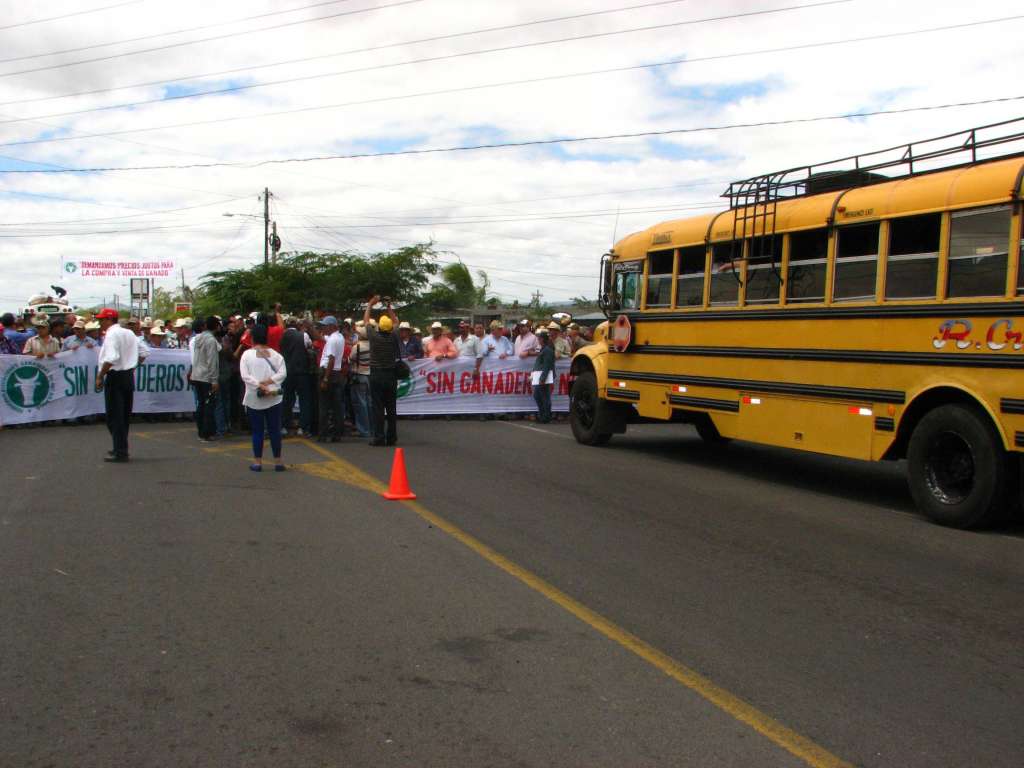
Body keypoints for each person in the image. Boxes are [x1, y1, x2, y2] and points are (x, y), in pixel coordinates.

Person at [95, 308, 142, 463]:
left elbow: (112, 357)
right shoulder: (129, 333)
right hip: (127, 375)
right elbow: (144, 352)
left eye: (102, 320)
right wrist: (132, 366)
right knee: (123, 414)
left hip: (115, 376)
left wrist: (101, 375)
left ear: (109, 320)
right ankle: (120, 446)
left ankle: (120, 450)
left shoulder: (112, 334)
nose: (100, 322)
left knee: (114, 416)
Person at [239, 324, 287, 472]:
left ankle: (258, 462)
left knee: (257, 431)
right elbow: (283, 373)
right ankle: (278, 462)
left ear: (252, 338)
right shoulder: (276, 355)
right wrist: (268, 382)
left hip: (255, 398)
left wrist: (259, 385)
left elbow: (245, 376)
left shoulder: (246, 355)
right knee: (275, 430)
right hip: (273, 397)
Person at [363, 295, 399, 446]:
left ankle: (379, 436)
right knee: (391, 408)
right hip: (390, 375)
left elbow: (366, 321)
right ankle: (391, 437)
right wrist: (389, 306)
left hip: (377, 374)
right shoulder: (394, 336)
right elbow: (397, 321)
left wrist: (370, 304)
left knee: (377, 407)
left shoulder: (374, 337)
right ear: (390, 327)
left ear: (378, 327)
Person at [189, 317, 220, 442]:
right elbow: (212, 361)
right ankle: (207, 433)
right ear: (216, 326)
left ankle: (201, 431)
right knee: (209, 405)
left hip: (196, 375)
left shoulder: (197, 338)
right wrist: (214, 380)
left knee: (201, 404)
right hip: (206, 376)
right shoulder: (211, 340)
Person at [280, 317, 312, 437]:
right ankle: (303, 427)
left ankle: (285, 425)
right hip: (301, 372)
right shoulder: (303, 335)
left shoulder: (282, 336)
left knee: (286, 399)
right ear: (297, 325)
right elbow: (309, 348)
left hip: (286, 372)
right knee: (304, 400)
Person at [317, 316, 347, 442]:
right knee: (336, 406)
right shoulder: (339, 337)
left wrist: (325, 378)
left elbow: (331, 359)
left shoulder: (332, 340)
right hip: (337, 373)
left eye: (325, 326)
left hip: (329, 373)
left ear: (332, 326)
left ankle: (323, 434)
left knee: (324, 405)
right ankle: (337, 433)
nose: (323, 328)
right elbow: (320, 337)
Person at [349, 321, 372, 439]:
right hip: (370, 374)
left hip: (360, 374)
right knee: (369, 402)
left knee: (361, 403)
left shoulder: (357, 346)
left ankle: (364, 429)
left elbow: (351, 359)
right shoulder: (373, 345)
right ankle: (372, 427)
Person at [531, 327, 555, 424]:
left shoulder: (547, 350)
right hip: (539, 376)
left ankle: (546, 416)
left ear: (542, 339)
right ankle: (543, 414)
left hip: (543, 376)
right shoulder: (543, 349)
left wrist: (543, 378)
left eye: (539, 338)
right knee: (538, 395)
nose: (538, 340)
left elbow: (547, 365)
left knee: (544, 396)